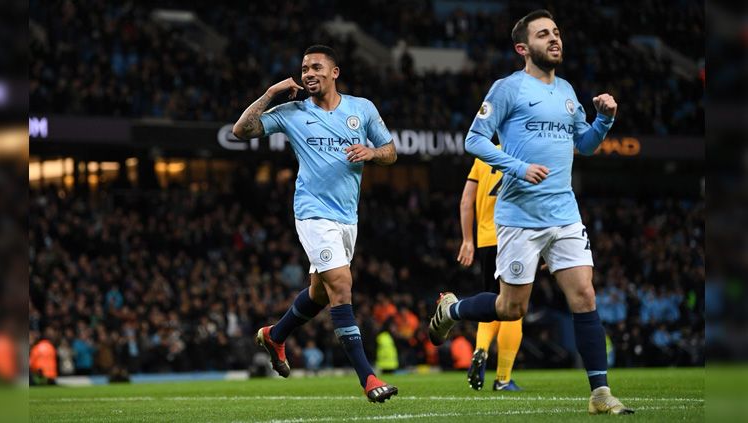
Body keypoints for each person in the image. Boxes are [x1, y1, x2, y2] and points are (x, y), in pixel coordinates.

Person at [428, 10, 633, 414]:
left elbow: (586, 145)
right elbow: (474, 139)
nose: (554, 39)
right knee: (511, 308)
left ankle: (600, 394)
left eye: (556, 32)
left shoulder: (568, 91)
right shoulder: (508, 88)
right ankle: (452, 309)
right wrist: (517, 167)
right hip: (520, 216)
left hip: (564, 213)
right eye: (543, 34)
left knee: (585, 295)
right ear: (523, 48)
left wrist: (604, 121)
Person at [232, 44, 398, 403]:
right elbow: (240, 131)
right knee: (341, 285)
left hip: (347, 217)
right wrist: (270, 93)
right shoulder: (292, 112)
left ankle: (275, 335)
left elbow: (391, 151)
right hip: (312, 213)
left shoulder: (362, 109)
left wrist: (371, 152)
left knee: (320, 293)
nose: (308, 73)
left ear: (334, 72)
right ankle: (368, 379)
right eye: (304, 68)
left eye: (316, 67)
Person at [457, 156, 523, 391]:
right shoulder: (524, 152)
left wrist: (467, 240)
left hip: (486, 240)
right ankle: (503, 379)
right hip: (515, 236)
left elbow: (466, 201)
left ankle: (481, 349)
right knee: (514, 309)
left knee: (492, 302)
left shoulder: (483, 156)